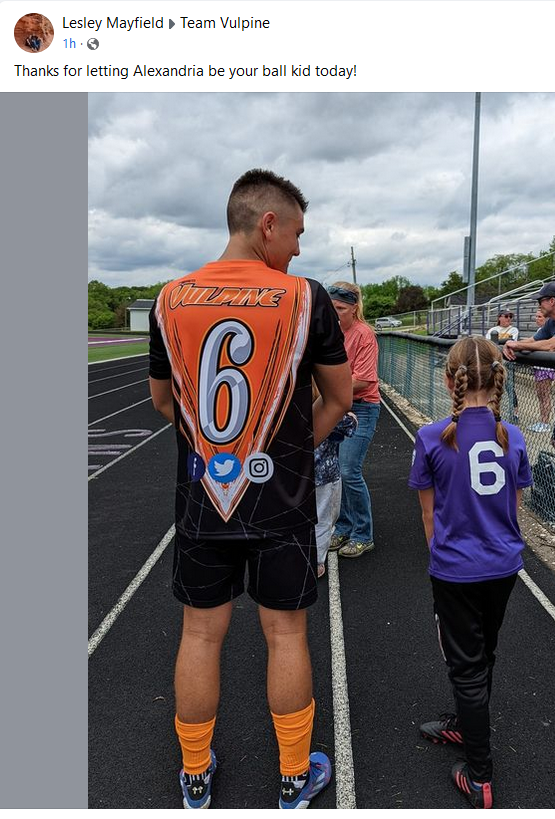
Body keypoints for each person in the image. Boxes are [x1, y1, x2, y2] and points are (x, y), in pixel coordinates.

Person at [148, 169, 352, 809]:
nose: (297, 248)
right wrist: (285, 455)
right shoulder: (304, 297)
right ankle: (295, 777)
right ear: (268, 224)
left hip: (204, 493)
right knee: (286, 635)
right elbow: (340, 399)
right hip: (281, 498)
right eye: (295, 233)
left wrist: (225, 453)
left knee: (200, 636)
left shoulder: (168, 298)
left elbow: (164, 403)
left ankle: (194, 773)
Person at [409, 336, 532, 810]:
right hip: (503, 565)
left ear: (449, 381)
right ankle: (468, 715)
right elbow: (513, 508)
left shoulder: (432, 437)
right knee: (485, 651)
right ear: (498, 380)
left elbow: (428, 516)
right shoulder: (513, 436)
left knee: (463, 663)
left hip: (456, 569)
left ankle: (480, 773)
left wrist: (440, 562)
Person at [503, 282, 555, 505]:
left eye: (541, 300)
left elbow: (552, 345)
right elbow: (534, 341)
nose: (538, 305)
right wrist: (512, 344)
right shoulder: (552, 322)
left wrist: (517, 346)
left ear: (552, 301)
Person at [326, 281, 380, 558]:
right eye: (332, 307)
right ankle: (344, 525)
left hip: (362, 408)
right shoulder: (329, 332)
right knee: (335, 470)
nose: (335, 314)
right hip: (335, 405)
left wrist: (327, 385)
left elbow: (364, 379)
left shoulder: (363, 335)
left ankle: (363, 533)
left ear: (354, 308)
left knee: (349, 470)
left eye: (341, 308)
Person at [312, 389, 357, 577]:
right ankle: (317, 562)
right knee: (323, 519)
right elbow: (350, 426)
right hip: (325, 475)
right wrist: (352, 416)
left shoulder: (290, 409)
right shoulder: (328, 411)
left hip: (297, 475)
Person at [528, 308, 555, 433]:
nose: (537, 319)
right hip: (540, 367)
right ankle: (542, 420)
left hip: (546, 368)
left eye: (540, 317)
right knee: (540, 395)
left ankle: (545, 422)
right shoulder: (540, 331)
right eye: (536, 316)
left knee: (544, 395)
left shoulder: (548, 331)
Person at [486, 310, 519, 420]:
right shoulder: (493, 330)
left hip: (507, 363)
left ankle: (514, 413)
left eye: (510, 316)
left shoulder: (513, 330)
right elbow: (488, 344)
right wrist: (503, 342)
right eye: (506, 316)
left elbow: (512, 342)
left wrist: (497, 342)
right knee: (493, 386)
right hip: (495, 362)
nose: (508, 318)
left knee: (510, 388)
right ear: (499, 317)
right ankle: (492, 411)